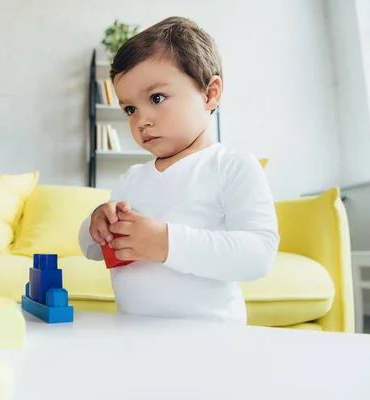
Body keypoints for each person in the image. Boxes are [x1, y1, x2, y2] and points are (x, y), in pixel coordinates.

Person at [78, 16, 280, 324]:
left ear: (210, 93)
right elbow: (93, 249)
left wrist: (167, 242)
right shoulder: (132, 179)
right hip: (134, 336)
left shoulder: (232, 166)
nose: (141, 120)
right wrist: (96, 224)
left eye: (156, 98)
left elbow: (259, 254)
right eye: (130, 109)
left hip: (211, 339)